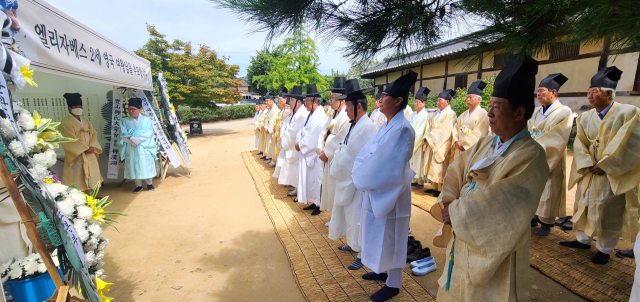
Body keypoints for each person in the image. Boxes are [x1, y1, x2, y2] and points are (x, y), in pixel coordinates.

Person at [430, 54, 549, 301]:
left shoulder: (531, 155)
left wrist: (456, 211)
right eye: (491, 106)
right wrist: (449, 201)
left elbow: (503, 205)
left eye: (497, 108)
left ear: (519, 113)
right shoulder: (485, 143)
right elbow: (455, 172)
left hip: (494, 248)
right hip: (463, 234)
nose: (490, 114)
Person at [560, 66, 640, 265]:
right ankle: (583, 240)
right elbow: (579, 142)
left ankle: (604, 249)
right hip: (591, 171)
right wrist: (587, 162)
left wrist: (606, 164)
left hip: (612, 172)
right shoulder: (586, 117)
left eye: (593, 92)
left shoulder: (629, 113)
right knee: (585, 204)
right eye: (588, 92)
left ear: (608, 93)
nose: (589, 96)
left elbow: (630, 143)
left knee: (609, 209)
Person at [351, 70, 418, 302]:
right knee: (378, 232)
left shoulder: (403, 129)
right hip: (377, 187)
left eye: (385, 96)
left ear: (398, 101)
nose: (380, 101)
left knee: (393, 235)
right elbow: (368, 153)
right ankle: (382, 271)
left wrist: (366, 177)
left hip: (393, 190)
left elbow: (388, 164)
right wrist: (363, 175)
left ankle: (394, 283)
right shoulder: (386, 124)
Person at [328, 79, 376, 270]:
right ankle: (353, 243)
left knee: (358, 217)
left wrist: (337, 157)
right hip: (350, 179)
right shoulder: (355, 124)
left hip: (358, 181)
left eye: (348, 106)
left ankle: (362, 252)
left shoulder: (367, 127)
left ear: (358, 106)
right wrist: (339, 154)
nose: (346, 110)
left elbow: (350, 156)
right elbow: (344, 149)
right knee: (350, 215)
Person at [529, 73, 574, 236]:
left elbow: (558, 136)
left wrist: (534, 145)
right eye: (537, 91)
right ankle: (532, 217)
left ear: (553, 92)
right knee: (532, 188)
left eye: (542, 91)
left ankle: (546, 223)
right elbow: (529, 130)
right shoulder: (535, 111)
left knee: (549, 190)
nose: (538, 94)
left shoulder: (564, 112)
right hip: (532, 154)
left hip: (551, 156)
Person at [318, 77, 350, 216]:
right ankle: (333, 217)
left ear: (342, 100)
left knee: (336, 188)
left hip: (335, 157)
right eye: (330, 98)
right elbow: (323, 132)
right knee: (329, 188)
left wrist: (327, 151)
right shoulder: (333, 115)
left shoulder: (346, 116)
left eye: (332, 98)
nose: (330, 101)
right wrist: (320, 148)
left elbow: (341, 138)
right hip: (327, 156)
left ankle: (338, 219)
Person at [59, 93, 103, 192]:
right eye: (75, 106)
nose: (78, 108)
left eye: (80, 106)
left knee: (92, 175)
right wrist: (85, 148)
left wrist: (92, 146)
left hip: (90, 152)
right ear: (69, 108)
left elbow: (93, 134)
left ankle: (92, 196)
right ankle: (80, 199)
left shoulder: (85, 121)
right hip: (77, 155)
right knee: (77, 177)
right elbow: (68, 139)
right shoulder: (65, 122)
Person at [296, 83, 328, 210]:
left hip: (314, 153)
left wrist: (301, 144)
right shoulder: (311, 115)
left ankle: (319, 205)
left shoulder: (320, 116)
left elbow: (313, 136)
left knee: (317, 180)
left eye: (306, 102)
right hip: (307, 152)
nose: (305, 104)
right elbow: (303, 130)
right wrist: (299, 141)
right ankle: (314, 202)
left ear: (314, 101)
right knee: (311, 181)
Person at [118, 98, 158, 193]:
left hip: (144, 145)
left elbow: (149, 132)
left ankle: (149, 183)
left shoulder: (147, 120)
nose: (131, 111)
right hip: (131, 145)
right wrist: (131, 138)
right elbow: (122, 133)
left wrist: (139, 139)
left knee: (146, 163)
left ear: (139, 109)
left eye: (133, 109)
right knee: (133, 164)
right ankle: (138, 185)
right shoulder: (124, 121)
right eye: (129, 109)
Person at [423, 89, 457, 197]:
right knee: (432, 165)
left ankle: (440, 189)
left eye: (440, 100)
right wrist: (427, 137)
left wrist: (431, 137)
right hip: (433, 141)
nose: (438, 103)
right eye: (437, 100)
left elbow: (445, 129)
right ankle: (434, 187)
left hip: (442, 142)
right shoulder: (436, 113)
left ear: (447, 102)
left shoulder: (451, 114)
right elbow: (428, 125)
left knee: (439, 165)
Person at [278, 86, 309, 194]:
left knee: (296, 169)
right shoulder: (296, 113)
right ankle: (296, 188)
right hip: (292, 145)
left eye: (291, 100)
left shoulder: (301, 114)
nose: (289, 102)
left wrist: (285, 139)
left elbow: (293, 132)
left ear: (298, 102)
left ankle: (298, 190)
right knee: (294, 170)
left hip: (295, 145)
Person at [451, 81, 490, 162]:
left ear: (478, 99)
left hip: (472, 148)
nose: (468, 99)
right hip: (459, 148)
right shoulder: (463, 114)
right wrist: (456, 140)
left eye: (470, 97)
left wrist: (465, 145)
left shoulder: (483, 114)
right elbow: (455, 127)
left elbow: (479, 133)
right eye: (467, 98)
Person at [409, 87, 430, 190]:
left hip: (419, 142)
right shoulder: (412, 115)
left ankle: (420, 181)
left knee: (419, 161)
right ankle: (413, 179)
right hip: (410, 140)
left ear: (423, 103)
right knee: (411, 161)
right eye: (415, 102)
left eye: (418, 102)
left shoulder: (425, 115)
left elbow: (420, 131)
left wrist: (414, 142)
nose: (415, 104)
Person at [264, 93, 281, 165]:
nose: (266, 103)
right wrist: (265, 127)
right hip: (268, 129)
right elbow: (265, 119)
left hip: (273, 131)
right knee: (269, 145)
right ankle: (270, 158)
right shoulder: (269, 109)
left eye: (268, 101)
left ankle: (274, 160)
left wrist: (269, 129)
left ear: (272, 101)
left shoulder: (275, 109)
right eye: (266, 101)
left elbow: (273, 120)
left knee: (273, 146)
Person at [273, 88, 289, 167]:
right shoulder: (282, 110)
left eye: (280, 100)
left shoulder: (288, 110)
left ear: (286, 99)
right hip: (279, 134)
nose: (279, 102)